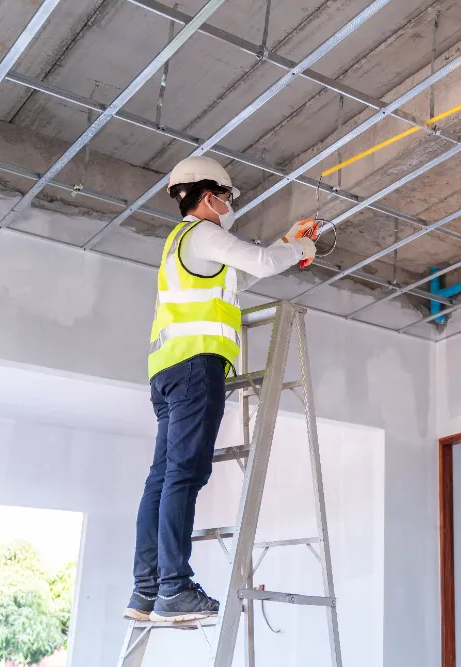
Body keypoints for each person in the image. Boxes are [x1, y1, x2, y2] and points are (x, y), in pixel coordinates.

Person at [124, 156, 316, 623]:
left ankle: (147, 591)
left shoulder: (180, 245)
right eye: (227, 197)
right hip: (195, 369)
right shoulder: (206, 233)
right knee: (183, 477)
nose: (230, 206)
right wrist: (298, 246)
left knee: (163, 478)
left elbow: (244, 275)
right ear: (208, 196)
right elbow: (265, 263)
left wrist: (288, 244)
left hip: (167, 371)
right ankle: (174, 588)